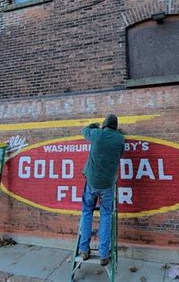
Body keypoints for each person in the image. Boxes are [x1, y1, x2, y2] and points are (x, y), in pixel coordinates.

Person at [79, 114, 125, 266]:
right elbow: (121, 154)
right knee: (106, 216)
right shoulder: (120, 139)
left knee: (87, 212)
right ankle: (104, 255)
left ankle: (84, 250)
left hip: (92, 182)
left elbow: (85, 130)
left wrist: (95, 125)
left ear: (104, 125)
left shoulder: (97, 134)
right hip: (108, 185)